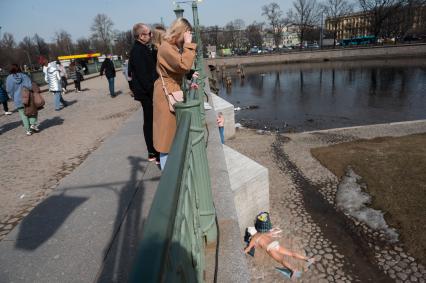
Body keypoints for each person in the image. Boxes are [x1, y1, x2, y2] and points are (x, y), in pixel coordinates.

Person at [153, 18, 197, 169]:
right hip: (167, 93)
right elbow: (183, 65)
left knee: (171, 134)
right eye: (187, 33)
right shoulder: (166, 47)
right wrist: (189, 45)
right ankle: (168, 179)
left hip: (170, 90)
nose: (188, 37)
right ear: (182, 32)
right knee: (166, 138)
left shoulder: (169, 46)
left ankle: (171, 170)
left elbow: (179, 67)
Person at [244, 212, 315, 279]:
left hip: (270, 248)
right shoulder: (264, 232)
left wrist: (244, 251)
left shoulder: (255, 237)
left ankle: (293, 270)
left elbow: (248, 248)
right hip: (275, 243)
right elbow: (271, 233)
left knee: (281, 260)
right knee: (291, 253)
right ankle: (308, 259)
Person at [129, 23, 160, 164]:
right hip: (147, 94)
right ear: (141, 36)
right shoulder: (138, 51)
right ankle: (153, 151)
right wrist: (154, 93)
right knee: (150, 122)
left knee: (150, 121)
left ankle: (153, 151)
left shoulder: (142, 48)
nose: (151, 35)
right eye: (149, 33)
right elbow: (144, 76)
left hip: (147, 92)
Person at [5, 64, 39, 135]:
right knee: (33, 110)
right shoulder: (24, 76)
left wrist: (13, 97)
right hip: (28, 97)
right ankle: (32, 124)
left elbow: (9, 90)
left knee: (23, 114)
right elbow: (30, 86)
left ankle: (28, 130)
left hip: (17, 98)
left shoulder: (9, 78)